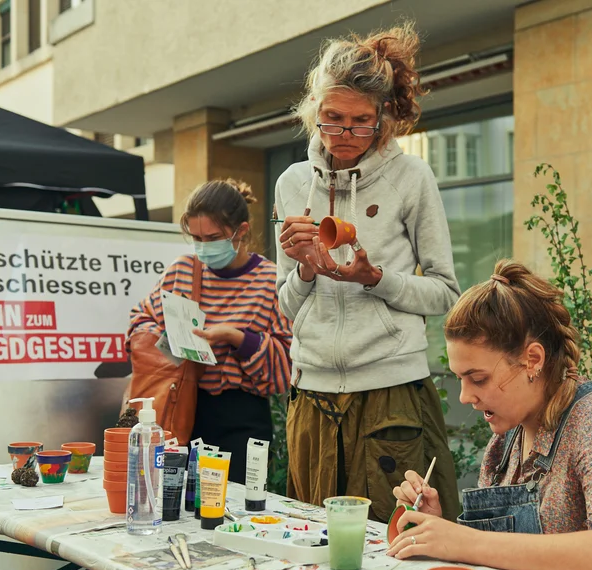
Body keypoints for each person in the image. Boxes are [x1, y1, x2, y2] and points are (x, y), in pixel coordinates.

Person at [388, 260, 592, 570]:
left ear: (532, 360)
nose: (465, 396)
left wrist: (465, 542)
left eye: (478, 378)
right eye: (459, 379)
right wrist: (437, 531)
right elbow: (503, 557)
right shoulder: (506, 440)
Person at [274, 23, 461, 522]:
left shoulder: (410, 177)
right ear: (313, 111)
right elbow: (284, 307)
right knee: (314, 548)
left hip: (391, 395)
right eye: (332, 119)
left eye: (361, 122)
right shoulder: (292, 185)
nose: (345, 136)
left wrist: (373, 278)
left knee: (396, 545)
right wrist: (306, 272)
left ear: (382, 118)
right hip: (311, 396)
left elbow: (446, 292)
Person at [129, 179, 292, 484]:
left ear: (240, 231)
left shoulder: (271, 280)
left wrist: (237, 338)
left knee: (234, 511)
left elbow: (284, 368)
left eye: (213, 238)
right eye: (196, 238)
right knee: (175, 506)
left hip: (241, 417)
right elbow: (140, 319)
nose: (203, 247)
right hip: (181, 404)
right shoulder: (182, 270)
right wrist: (165, 337)